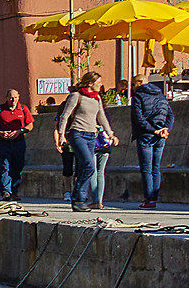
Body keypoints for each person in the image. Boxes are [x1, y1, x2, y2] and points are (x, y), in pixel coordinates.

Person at [53, 72, 115, 213]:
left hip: (92, 135)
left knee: (83, 167)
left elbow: (102, 117)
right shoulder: (77, 96)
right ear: (89, 83)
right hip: (77, 134)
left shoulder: (96, 98)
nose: (100, 84)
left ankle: (78, 201)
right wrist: (62, 134)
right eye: (98, 82)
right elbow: (65, 115)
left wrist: (110, 133)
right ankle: (79, 198)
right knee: (89, 165)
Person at [130, 72, 174, 209]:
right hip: (161, 136)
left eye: (133, 84)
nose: (132, 87)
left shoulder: (138, 96)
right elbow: (170, 115)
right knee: (156, 168)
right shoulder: (160, 95)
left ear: (140, 82)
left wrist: (152, 130)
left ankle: (149, 199)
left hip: (146, 135)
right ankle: (154, 198)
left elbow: (139, 118)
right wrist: (166, 129)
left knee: (146, 169)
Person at [0, 90, 34, 203]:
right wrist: (0, 133)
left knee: (18, 167)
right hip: (4, 142)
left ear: (18, 97)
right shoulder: (0, 109)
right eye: (11, 98)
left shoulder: (23, 109)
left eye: (15, 97)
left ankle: (14, 191)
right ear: (6, 98)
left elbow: (30, 125)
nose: (13, 100)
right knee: (5, 165)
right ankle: (6, 192)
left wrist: (20, 131)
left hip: (19, 142)